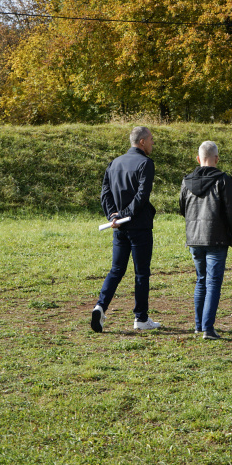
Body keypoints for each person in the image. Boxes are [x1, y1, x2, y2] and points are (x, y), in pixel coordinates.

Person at [91, 126, 161, 333]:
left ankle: (100, 306)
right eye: (150, 140)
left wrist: (112, 215)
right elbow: (142, 196)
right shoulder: (146, 163)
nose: (152, 143)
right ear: (141, 142)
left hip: (119, 228)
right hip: (139, 227)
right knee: (141, 273)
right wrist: (122, 215)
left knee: (116, 270)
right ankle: (141, 318)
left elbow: (105, 192)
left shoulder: (114, 163)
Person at [179, 141, 232, 340]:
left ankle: (199, 326)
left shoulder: (186, 181)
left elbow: (183, 209)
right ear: (216, 158)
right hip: (216, 239)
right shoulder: (223, 179)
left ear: (198, 159)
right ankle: (208, 329)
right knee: (213, 282)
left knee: (201, 280)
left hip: (194, 238)